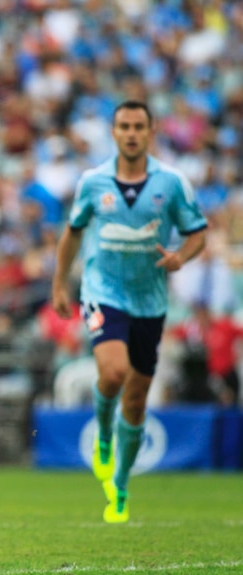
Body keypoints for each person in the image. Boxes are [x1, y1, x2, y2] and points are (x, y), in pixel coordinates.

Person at [51, 100, 207, 523]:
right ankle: (103, 434)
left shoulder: (172, 183)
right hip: (103, 291)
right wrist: (60, 284)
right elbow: (72, 233)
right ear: (114, 131)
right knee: (113, 373)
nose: (132, 132)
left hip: (151, 302)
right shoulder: (92, 181)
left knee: (136, 399)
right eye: (124, 126)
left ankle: (119, 484)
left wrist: (181, 257)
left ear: (151, 131)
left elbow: (198, 234)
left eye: (139, 126)